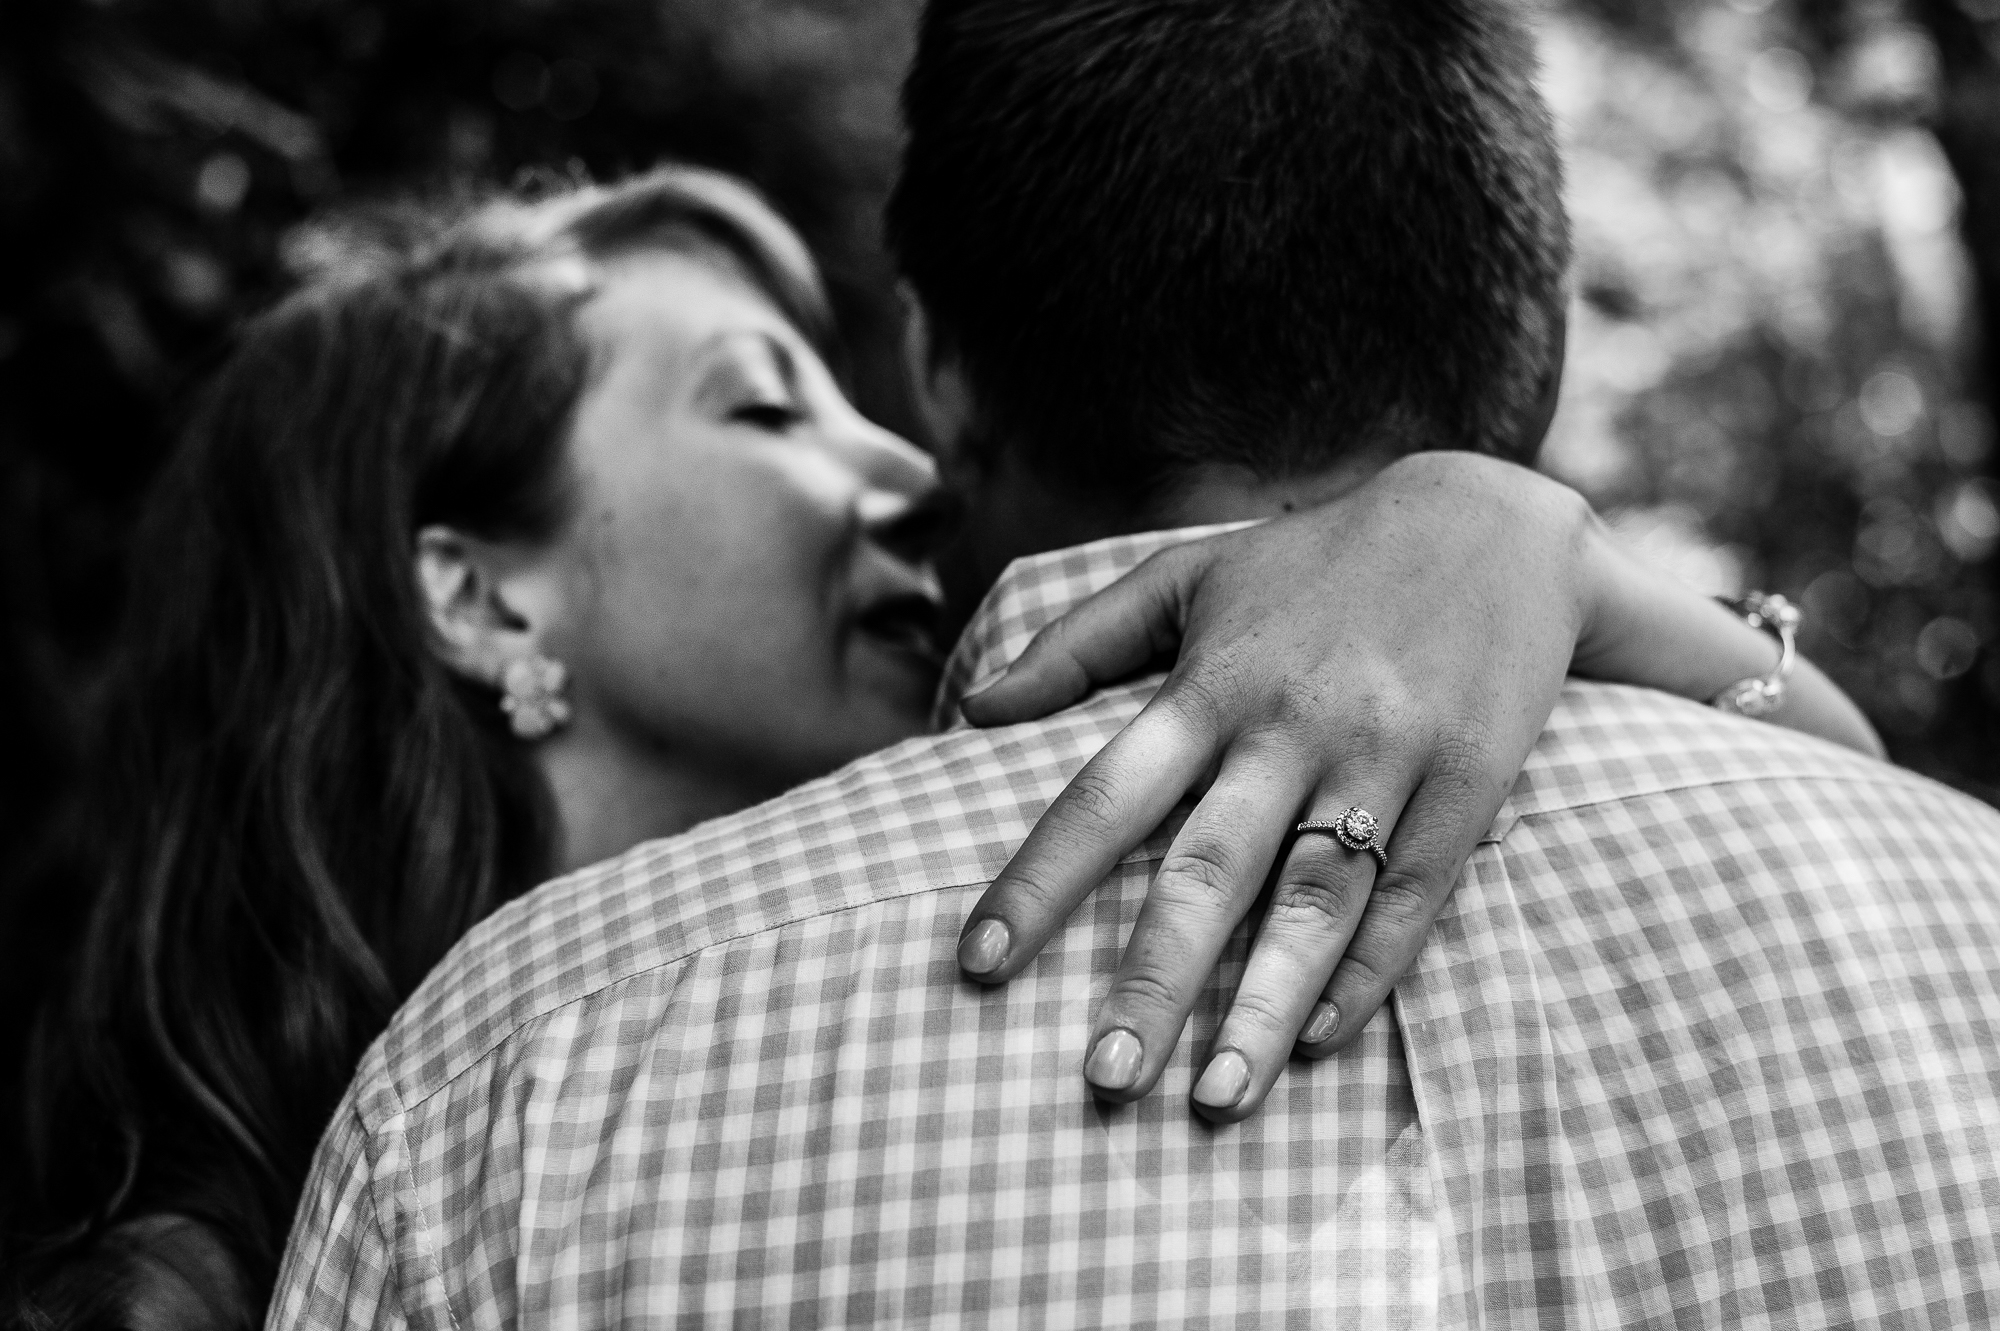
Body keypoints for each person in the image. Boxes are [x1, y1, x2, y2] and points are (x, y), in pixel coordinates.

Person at [270, 0, 2000, 1325]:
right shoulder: (1953, 910)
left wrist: (1518, 536)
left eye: (846, 383)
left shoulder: (510, 1087)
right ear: (1535, 328)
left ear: (942, 363)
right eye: (761, 403)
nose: (880, 464)